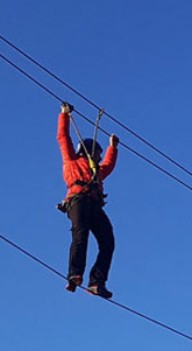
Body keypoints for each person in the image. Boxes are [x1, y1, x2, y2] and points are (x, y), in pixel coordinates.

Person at [57, 102, 119, 299]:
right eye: (98, 153)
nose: (100, 157)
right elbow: (63, 137)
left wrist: (113, 148)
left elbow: (108, 166)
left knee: (108, 241)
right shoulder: (72, 161)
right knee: (80, 236)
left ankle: (97, 282)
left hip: (93, 204)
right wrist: (64, 116)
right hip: (78, 201)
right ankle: (74, 274)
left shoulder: (97, 171)